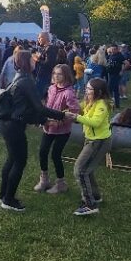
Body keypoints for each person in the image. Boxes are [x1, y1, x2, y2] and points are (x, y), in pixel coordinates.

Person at [0, 50, 71, 212]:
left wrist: (43, 121)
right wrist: (62, 115)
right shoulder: (26, 80)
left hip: (7, 124)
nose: (35, 60)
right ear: (26, 62)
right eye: (32, 59)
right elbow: (39, 108)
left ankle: (2, 194)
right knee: (19, 161)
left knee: (12, 159)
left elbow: (26, 108)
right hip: (14, 126)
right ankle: (8, 199)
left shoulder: (19, 76)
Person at [34, 64, 79, 195]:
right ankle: (44, 180)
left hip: (62, 131)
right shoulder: (51, 88)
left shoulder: (69, 92)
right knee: (43, 152)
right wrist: (44, 120)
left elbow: (75, 111)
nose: (56, 76)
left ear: (66, 75)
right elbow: (47, 106)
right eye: (54, 73)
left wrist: (60, 121)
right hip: (48, 128)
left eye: (59, 74)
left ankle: (61, 184)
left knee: (55, 155)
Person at [70, 78, 112, 216]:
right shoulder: (90, 101)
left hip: (99, 141)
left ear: (98, 92)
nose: (86, 90)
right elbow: (79, 108)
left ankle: (90, 204)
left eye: (89, 89)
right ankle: (95, 196)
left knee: (80, 170)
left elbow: (95, 122)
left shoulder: (102, 105)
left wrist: (76, 117)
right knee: (87, 169)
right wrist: (66, 111)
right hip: (92, 140)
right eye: (86, 88)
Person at [33, 31, 56, 98]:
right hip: (41, 76)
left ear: (44, 38)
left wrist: (38, 60)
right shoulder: (45, 48)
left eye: (39, 38)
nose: (38, 40)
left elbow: (49, 63)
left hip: (45, 77)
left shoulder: (50, 48)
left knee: (38, 97)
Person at [105, 45, 125, 109]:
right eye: (111, 49)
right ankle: (116, 104)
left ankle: (109, 104)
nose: (112, 50)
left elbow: (126, 63)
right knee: (115, 89)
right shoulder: (111, 55)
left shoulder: (120, 56)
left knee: (110, 89)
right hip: (110, 74)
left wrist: (122, 71)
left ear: (117, 49)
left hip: (116, 74)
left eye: (114, 49)